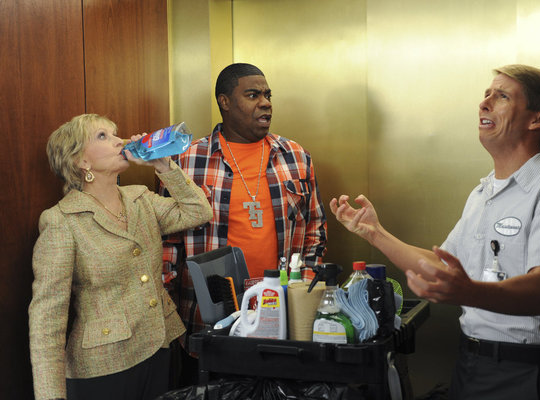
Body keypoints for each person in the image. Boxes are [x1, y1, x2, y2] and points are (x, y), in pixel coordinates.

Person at [330, 64, 540, 400]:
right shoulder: (483, 193)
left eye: (501, 97)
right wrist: (374, 233)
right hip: (471, 364)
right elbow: (443, 266)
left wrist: (467, 291)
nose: (484, 104)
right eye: (486, 95)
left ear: (537, 119)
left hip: (526, 373)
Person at [160, 63, 327, 385]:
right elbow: (168, 241)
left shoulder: (295, 156)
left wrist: (302, 286)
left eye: (267, 95)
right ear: (225, 102)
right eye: (253, 95)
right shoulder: (187, 161)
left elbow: (314, 227)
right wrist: (166, 305)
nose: (265, 102)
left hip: (283, 310)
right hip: (211, 314)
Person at [28, 114, 213, 400]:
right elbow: (46, 318)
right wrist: (51, 396)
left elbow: (198, 212)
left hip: (158, 346)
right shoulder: (61, 221)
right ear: (82, 162)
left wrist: (164, 165)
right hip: (103, 368)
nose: (120, 141)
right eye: (103, 136)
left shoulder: (141, 199)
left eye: (116, 133)